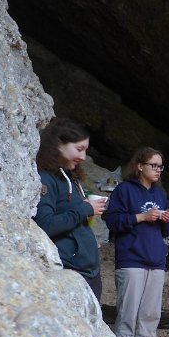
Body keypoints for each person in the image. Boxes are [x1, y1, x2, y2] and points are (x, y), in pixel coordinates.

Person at [103, 147, 169, 337]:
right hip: (131, 259)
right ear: (140, 166)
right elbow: (112, 221)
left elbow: (165, 231)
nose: (158, 170)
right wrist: (141, 217)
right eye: (154, 165)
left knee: (151, 315)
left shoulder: (160, 194)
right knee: (128, 314)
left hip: (156, 260)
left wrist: (165, 221)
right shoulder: (124, 190)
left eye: (160, 166)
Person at [34, 117, 107, 301]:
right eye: (79, 149)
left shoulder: (70, 178)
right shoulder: (46, 179)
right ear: (59, 144)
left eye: (85, 150)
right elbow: (45, 225)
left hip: (89, 271)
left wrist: (88, 210)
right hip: (70, 270)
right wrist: (84, 209)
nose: (83, 157)